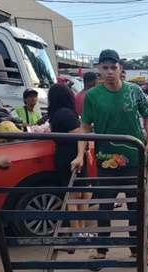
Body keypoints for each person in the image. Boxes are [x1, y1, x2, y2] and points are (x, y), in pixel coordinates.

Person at [71, 49, 148, 267]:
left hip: (134, 160)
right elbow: (83, 126)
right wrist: (80, 155)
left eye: (114, 67)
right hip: (105, 162)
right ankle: (102, 250)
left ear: (120, 69)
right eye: (105, 68)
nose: (110, 72)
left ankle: (138, 250)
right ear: (99, 70)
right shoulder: (92, 95)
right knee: (105, 207)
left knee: (137, 207)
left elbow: (147, 117)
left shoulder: (135, 91)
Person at [47, 82, 93, 237]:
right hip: (71, 156)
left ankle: (80, 231)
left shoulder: (56, 113)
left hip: (67, 155)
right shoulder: (65, 113)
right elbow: (77, 132)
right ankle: (76, 232)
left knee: (84, 192)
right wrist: (89, 126)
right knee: (75, 195)